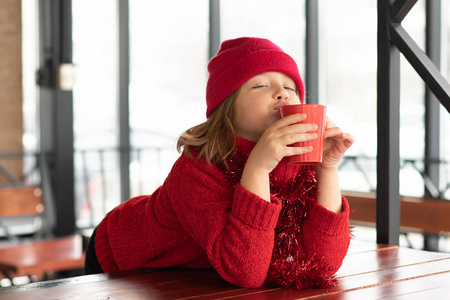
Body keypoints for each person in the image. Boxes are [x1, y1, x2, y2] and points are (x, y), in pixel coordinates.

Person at [85, 37, 354, 289]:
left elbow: (323, 266)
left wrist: (327, 168)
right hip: (123, 255)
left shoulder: (297, 160)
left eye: (290, 87)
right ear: (227, 108)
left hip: (201, 272)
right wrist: (258, 169)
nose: (282, 94)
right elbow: (246, 273)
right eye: (261, 85)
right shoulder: (197, 167)